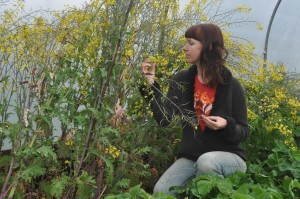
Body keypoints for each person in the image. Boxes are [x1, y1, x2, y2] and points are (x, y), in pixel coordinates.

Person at [139, 23, 249, 195]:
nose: (184, 48)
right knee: (161, 192)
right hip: (192, 157)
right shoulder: (182, 79)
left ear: (208, 47)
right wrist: (152, 86)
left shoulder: (232, 85)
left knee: (207, 163)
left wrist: (226, 125)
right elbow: (164, 119)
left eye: (190, 43)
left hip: (229, 158)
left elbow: (243, 131)